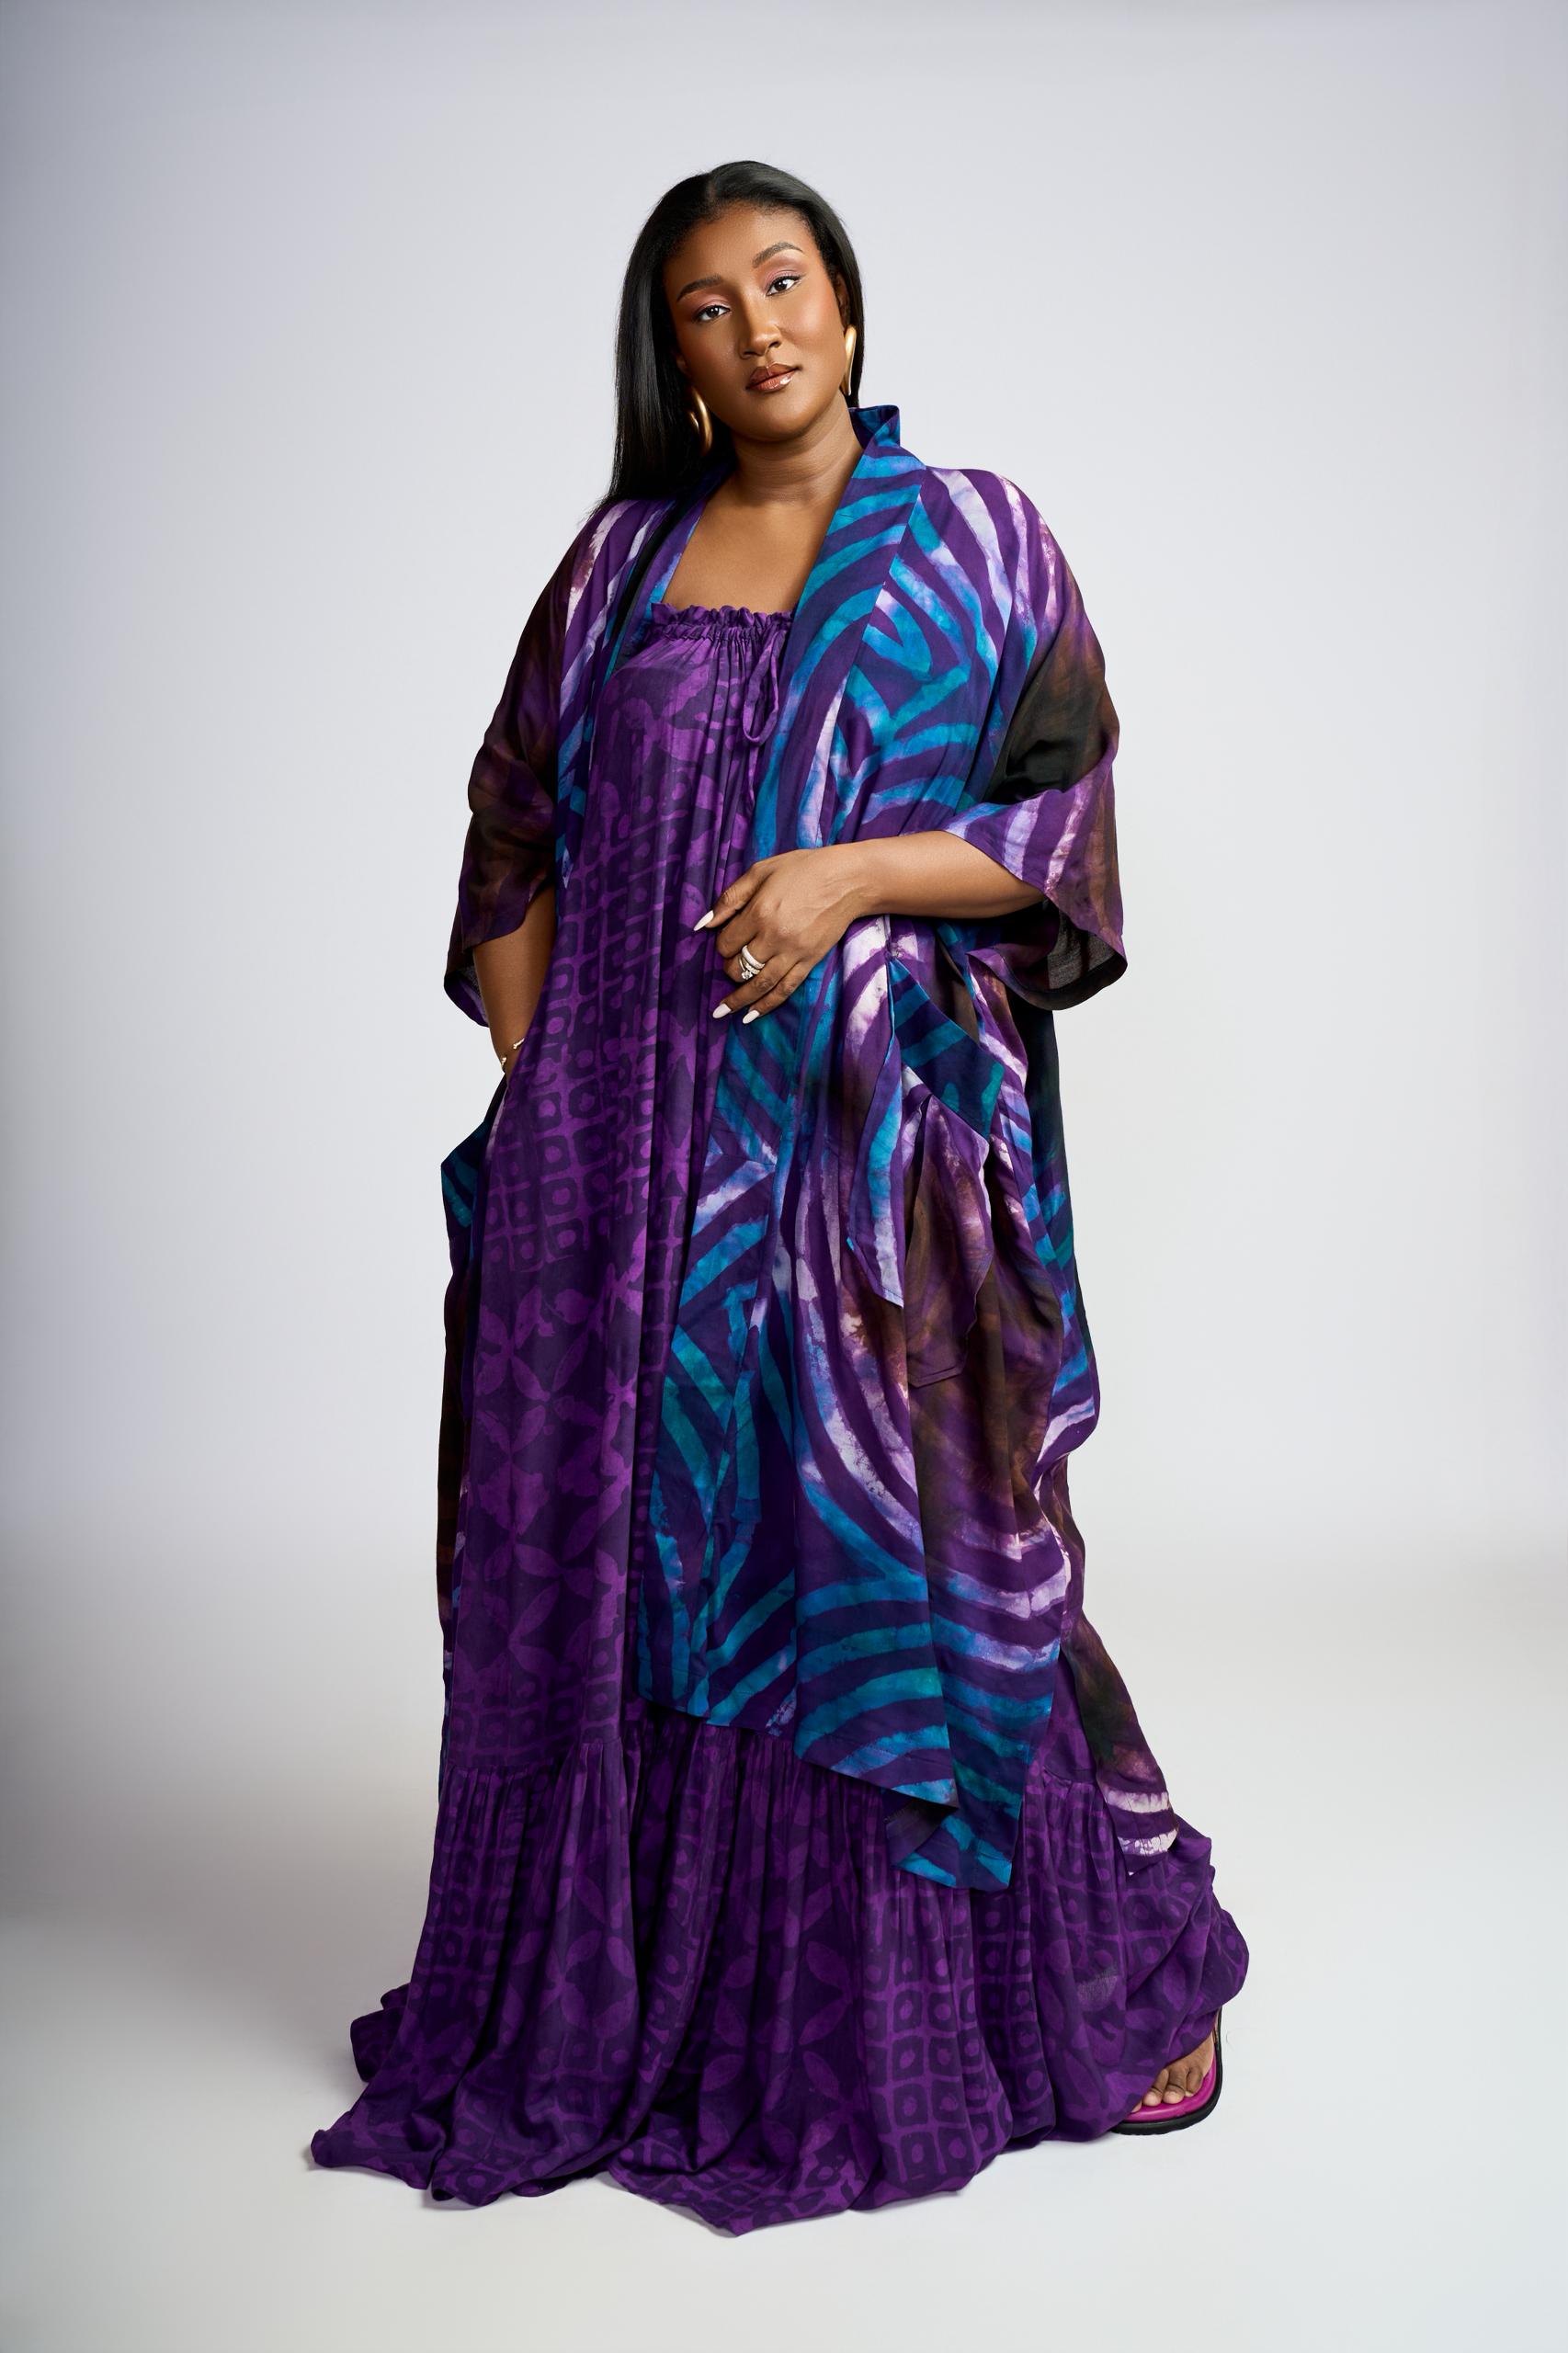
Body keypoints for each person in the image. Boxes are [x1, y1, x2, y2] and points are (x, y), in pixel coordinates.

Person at [309, 159, 1248, 2234]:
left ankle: (1028, 1994)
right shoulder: (621, 562)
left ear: (846, 299)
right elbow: (510, 826)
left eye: (784, 279)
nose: (757, 329)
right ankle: (653, 2008)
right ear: (672, 359)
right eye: (706, 307)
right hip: (625, 1182)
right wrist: (546, 1091)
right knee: (648, 1569)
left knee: (902, 1557)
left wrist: (844, 879)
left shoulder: (974, 541)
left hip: (863, 1179)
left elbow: (1062, 835)